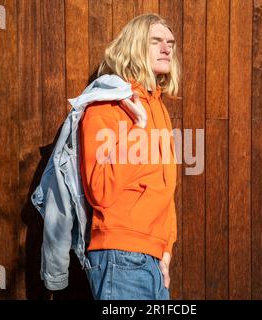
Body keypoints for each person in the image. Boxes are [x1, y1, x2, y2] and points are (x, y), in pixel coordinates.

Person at [79, 13, 180, 300]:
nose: (167, 48)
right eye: (156, 41)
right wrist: (138, 128)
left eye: (170, 42)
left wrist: (166, 249)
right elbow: (99, 189)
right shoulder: (107, 104)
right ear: (135, 46)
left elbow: (165, 188)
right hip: (120, 258)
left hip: (153, 261)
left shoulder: (158, 107)